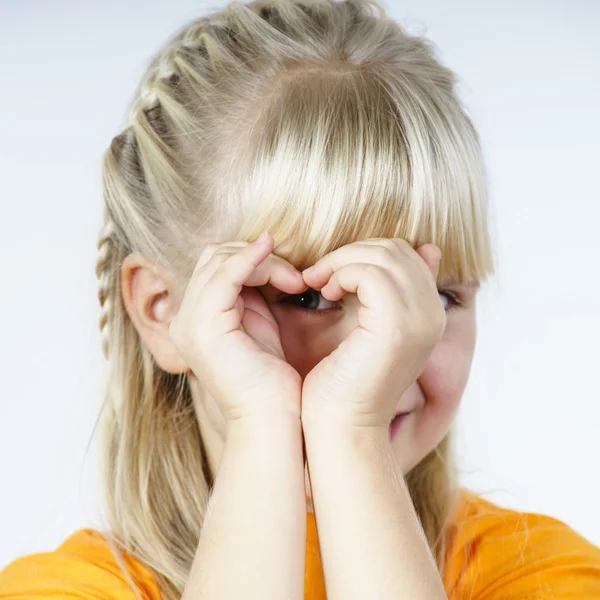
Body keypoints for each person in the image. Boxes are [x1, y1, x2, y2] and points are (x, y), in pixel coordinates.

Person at [1, 0, 599, 598]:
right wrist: (266, 426)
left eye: (435, 297)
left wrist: (352, 433)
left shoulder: (542, 575)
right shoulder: (65, 589)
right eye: (311, 300)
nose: (383, 353)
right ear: (165, 310)